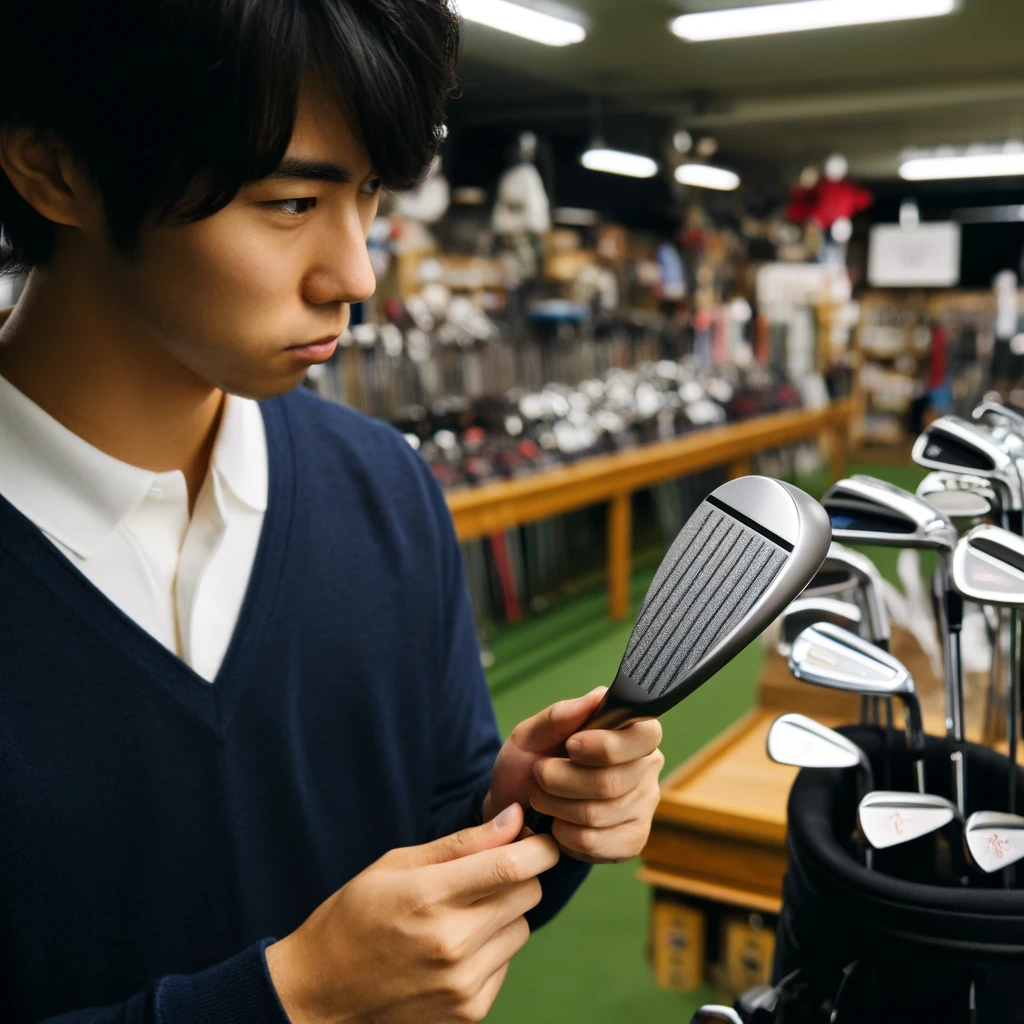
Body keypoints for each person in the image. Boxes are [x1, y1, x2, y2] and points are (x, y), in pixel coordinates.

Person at [0, 3, 666, 1022]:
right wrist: (291, 999)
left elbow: (427, 834)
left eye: (366, 198)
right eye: (286, 202)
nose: (353, 274)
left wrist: (522, 812)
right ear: (53, 169)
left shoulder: (382, 487)